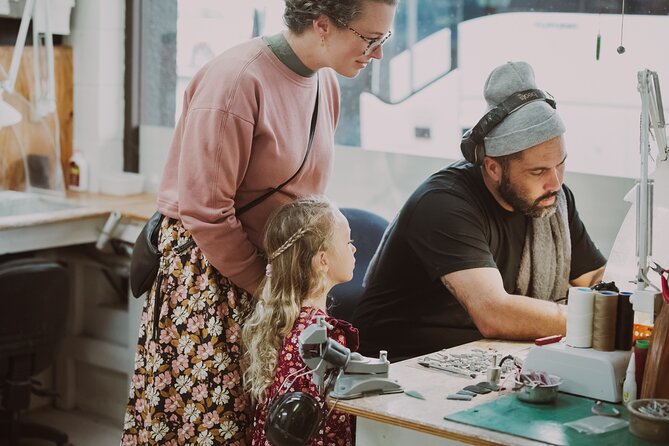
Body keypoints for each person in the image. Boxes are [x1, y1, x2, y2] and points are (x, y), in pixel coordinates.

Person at [122, 1, 397, 444]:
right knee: (208, 426)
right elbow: (206, 212)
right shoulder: (236, 81)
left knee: (262, 426)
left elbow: (304, 196)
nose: (378, 54)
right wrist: (272, 292)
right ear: (322, 24)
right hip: (210, 280)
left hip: (269, 281)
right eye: (370, 39)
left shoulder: (326, 83)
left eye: (384, 40)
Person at [353, 61, 607, 362]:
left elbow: (595, 281)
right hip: (403, 370)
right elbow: (494, 312)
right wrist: (599, 321)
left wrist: (629, 304)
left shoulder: (553, 201)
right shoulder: (443, 204)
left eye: (560, 164)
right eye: (538, 171)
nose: (555, 182)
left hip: (483, 359)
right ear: (493, 167)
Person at [242, 197, 358, 446]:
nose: (354, 248)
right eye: (348, 241)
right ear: (323, 260)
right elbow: (332, 423)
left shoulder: (282, 320)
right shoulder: (323, 336)